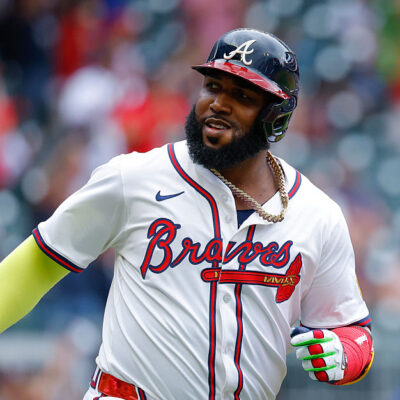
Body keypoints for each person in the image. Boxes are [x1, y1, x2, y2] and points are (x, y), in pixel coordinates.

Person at [0, 28, 373, 400]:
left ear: (276, 117)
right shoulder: (134, 178)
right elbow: (39, 261)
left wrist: (344, 353)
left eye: (241, 96)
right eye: (213, 86)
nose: (218, 104)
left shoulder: (317, 215)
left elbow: (354, 331)